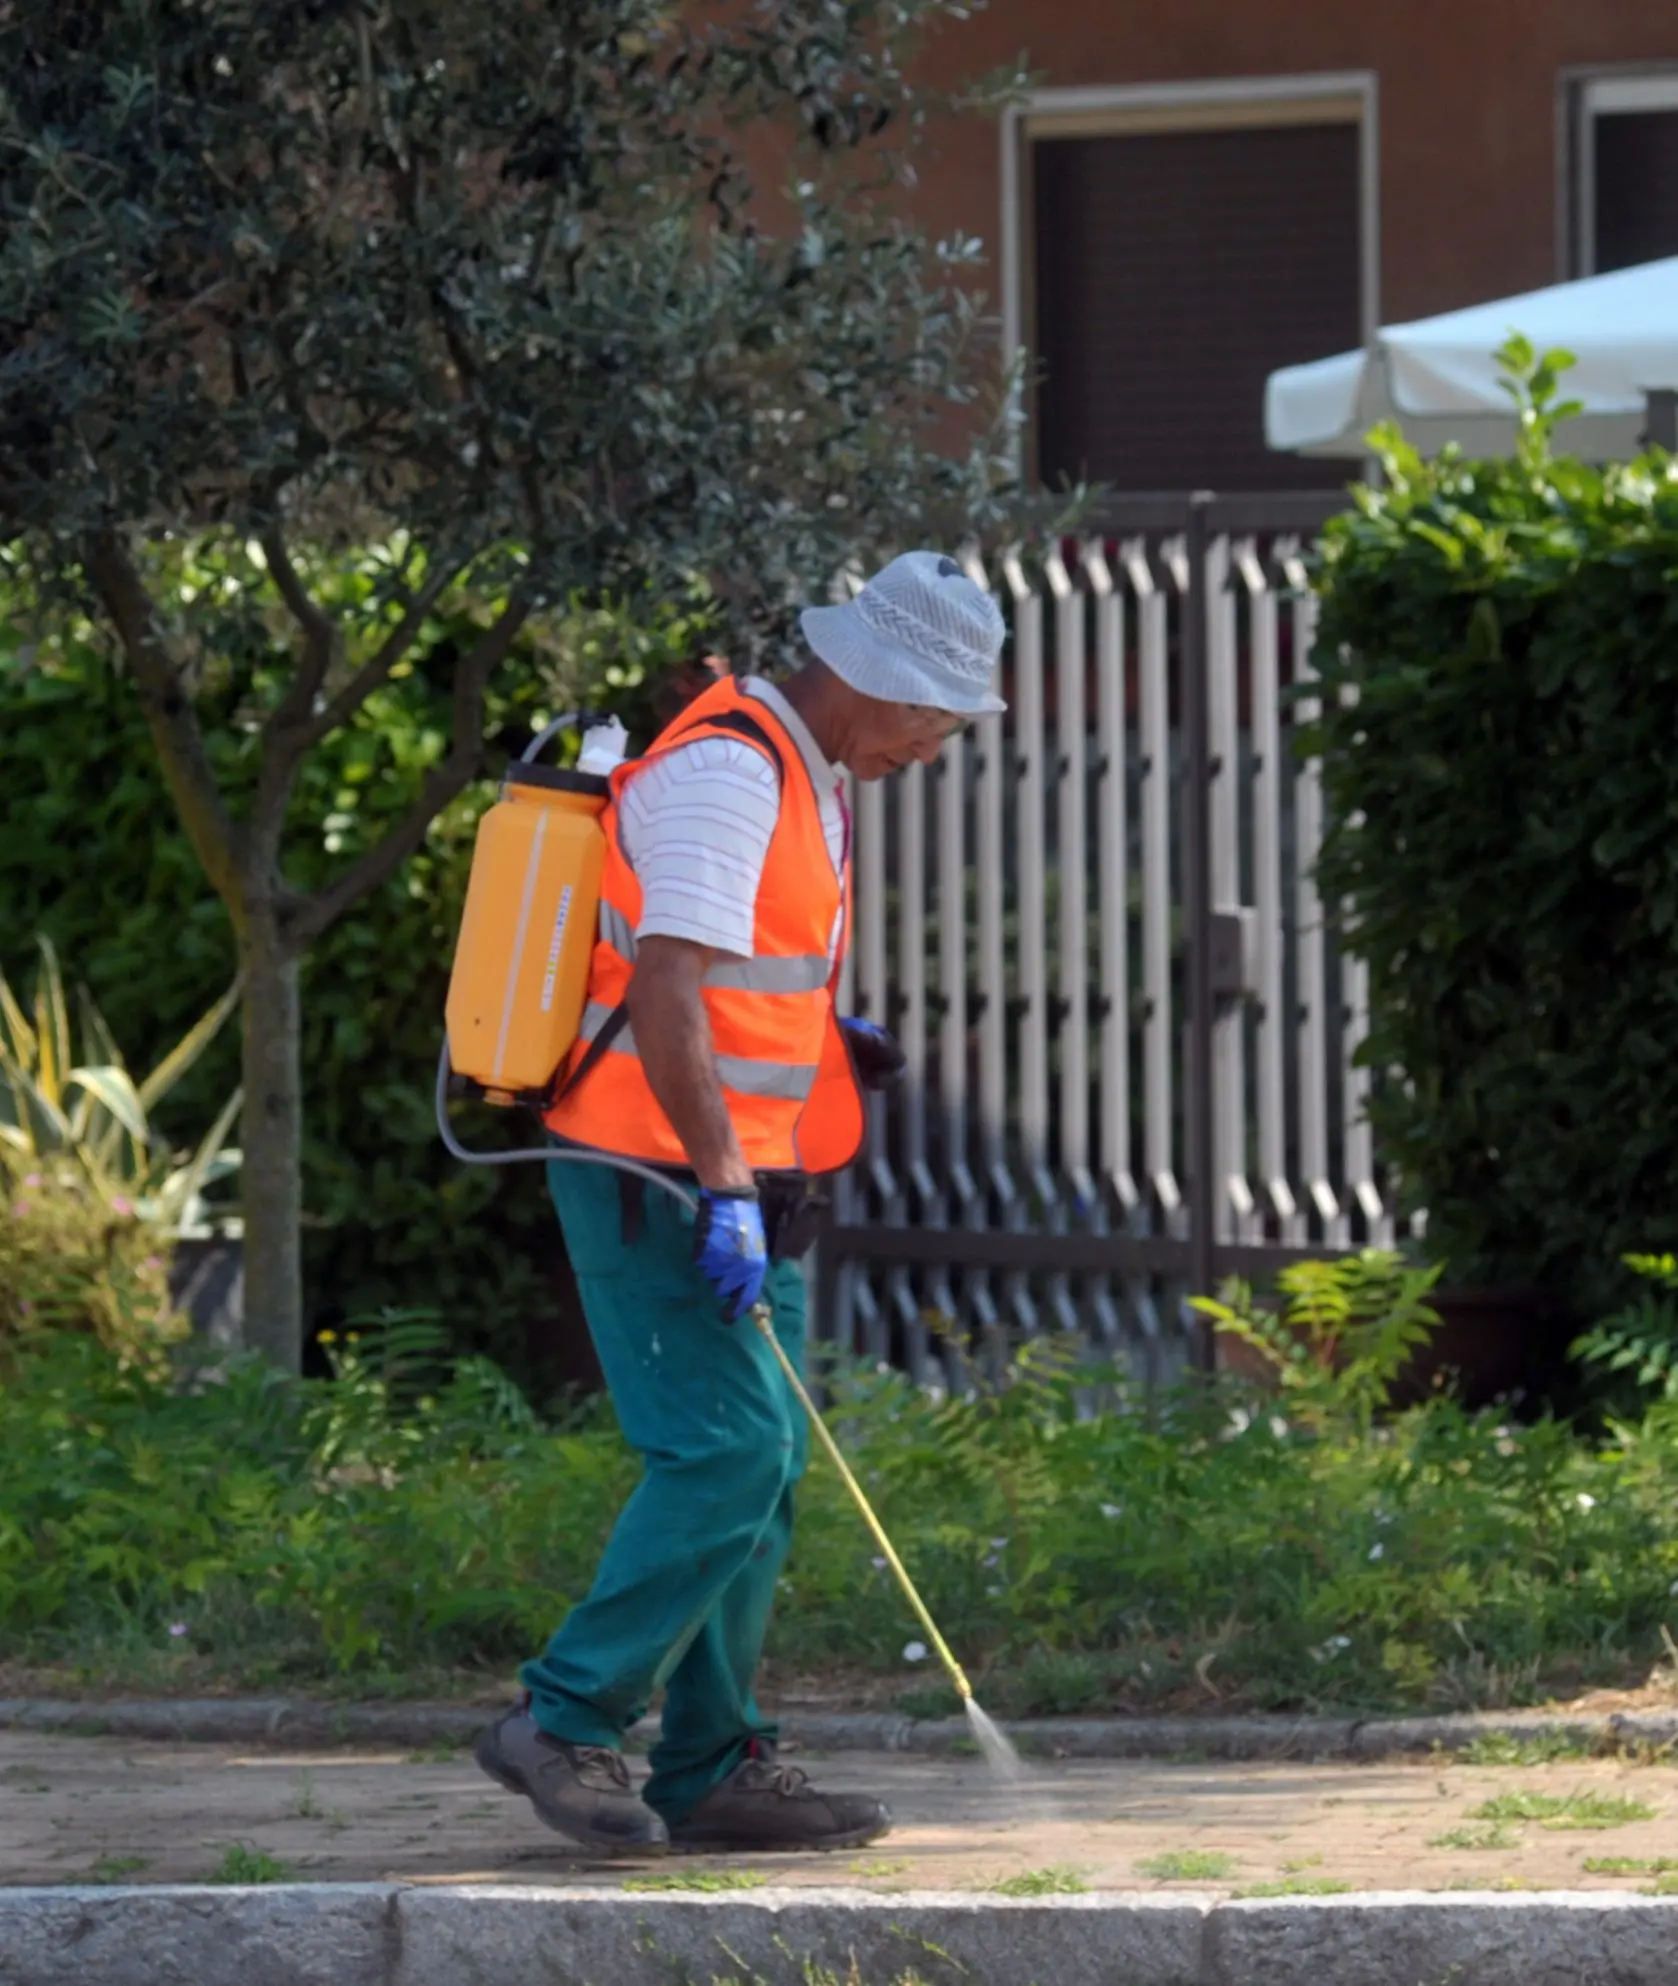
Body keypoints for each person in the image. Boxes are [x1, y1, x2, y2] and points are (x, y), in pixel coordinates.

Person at [474, 550, 1007, 1856]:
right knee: (726, 1450)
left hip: (747, 1174)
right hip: (655, 1172)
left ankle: (710, 1765)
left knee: (763, 1478)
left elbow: (741, 982)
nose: (936, 746)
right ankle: (561, 1714)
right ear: (875, 681)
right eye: (938, 716)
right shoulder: (729, 771)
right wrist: (721, 1189)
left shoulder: (805, 773)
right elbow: (664, 987)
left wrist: (830, 1044)